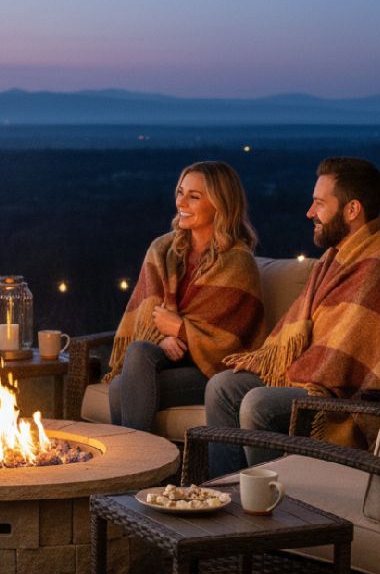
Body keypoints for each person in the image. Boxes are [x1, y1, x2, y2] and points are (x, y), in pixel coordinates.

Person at [204, 156, 380, 477]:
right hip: (315, 379)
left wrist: (292, 372)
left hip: (349, 401)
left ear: (352, 209)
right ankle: (223, 490)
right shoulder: (334, 260)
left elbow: (343, 368)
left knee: (258, 404)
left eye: (319, 203)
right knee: (223, 386)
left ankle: (275, 501)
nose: (309, 213)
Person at [106, 161, 265, 432]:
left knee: (121, 388)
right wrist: (164, 336)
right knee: (137, 352)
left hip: (212, 370)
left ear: (220, 204)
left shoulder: (238, 263)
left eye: (194, 196)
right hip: (168, 357)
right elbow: (147, 318)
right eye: (180, 192)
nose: (181, 202)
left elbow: (229, 343)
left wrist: (180, 329)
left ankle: (135, 455)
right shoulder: (162, 250)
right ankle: (141, 455)